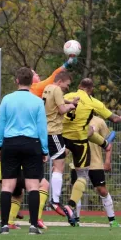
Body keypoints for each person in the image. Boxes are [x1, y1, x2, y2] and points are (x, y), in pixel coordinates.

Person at [62, 78, 121, 224]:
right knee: (77, 188)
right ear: (91, 90)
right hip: (79, 155)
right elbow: (114, 120)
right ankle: (75, 219)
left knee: (101, 190)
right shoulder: (91, 103)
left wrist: (107, 160)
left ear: (79, 86)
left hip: (95, 161)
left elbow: (107, 142)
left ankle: (112, 220)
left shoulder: (98, 120)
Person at [0, 67, 48, 235]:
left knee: (7, 186)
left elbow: (1, 124)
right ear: (32, 82)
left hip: (10, 143)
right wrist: (44, 150)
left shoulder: (7, 99)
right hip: (31, 143)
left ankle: (4, 225)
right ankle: (33, 226)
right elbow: (42, 128)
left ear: (17, 81)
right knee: (33, 186)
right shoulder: (37, 101)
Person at [42, 71, 78, 218]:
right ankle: (55, 200)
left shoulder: (48, 88)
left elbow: (60, 101)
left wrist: (70, 102)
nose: (67, 88)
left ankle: (45, 203)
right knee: (60, 165)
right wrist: (71, 107)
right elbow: (62, 109)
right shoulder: (57, 89)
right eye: (67, 85)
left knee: (44, 167)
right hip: (54, 132)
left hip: (44, 131)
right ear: (60, 81)